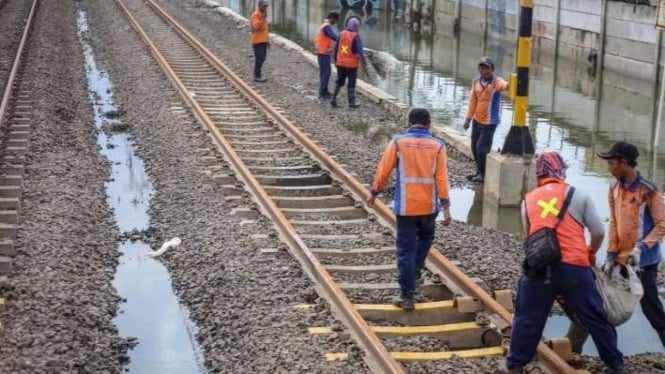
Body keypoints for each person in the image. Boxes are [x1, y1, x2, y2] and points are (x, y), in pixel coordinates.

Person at [501, 151, 623, 374]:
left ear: (539, 173)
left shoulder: (528, 200)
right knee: (595, 317)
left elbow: (530, 234)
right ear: (560, 170)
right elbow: (598, 231)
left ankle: (516, 364)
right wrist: (590, 252)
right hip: (575, 267)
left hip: (540, 267)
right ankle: (615, 365)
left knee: (528, 317)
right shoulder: (579, 195)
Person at [564, 142, 665, 352]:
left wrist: (641, 248)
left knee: (651, 307)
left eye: (612, 163)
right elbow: (615, 224)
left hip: (642, 263)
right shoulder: (614, 187)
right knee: (595, 299)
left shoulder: (649, 191)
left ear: (624, 163)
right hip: (619, 258)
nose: (609, 167)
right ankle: (572, 347)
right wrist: (610, 254)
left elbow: (661, 224)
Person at [367, 108, 452, 311]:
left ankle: (407, 295)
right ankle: (415, 270)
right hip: (429, 207)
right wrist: (446, 206)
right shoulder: (438, 146)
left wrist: (374, 192)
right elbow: (441, 178)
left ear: (409, 122)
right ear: (429, 123)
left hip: (406, 207)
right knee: (425, 240)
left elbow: (384, 170)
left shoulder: (398, 143)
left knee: (405, 250)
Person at [463, 57, 509, 183]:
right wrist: (468, 119)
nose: (484, 71)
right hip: (477, 120)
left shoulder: (497, 82)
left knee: (481, 148)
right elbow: (473, 101)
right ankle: (479, 172)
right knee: (474, 146)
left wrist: (512, 84)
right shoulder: (476, 82)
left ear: (492, 69)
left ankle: (484, 174)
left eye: (487, 68)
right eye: (482, 68)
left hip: (489, 122)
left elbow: (505, 86)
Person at [331, 17, 369, 108]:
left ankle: (333, 98)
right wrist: (365, 65)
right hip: (351, 65)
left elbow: (336, 49)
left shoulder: (341, 34)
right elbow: (360, 52)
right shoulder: (355, 36)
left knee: (339, 81)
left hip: (340, 63)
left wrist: (336, 61)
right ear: (356, 26)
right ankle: (351, 102)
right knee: (351, 83)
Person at [315, 12, 339, 99]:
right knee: (326, 72)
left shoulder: (324, 25)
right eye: (335, 20)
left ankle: (324, 90)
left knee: (323, 73)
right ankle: (322, 92)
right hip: (323, 53)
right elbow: (333, 36)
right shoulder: (327, 27)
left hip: (322, 53)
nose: (335, 22)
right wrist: (342, 39)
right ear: (332, 18)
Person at [250, 0, 269, 83]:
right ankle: (257, 76)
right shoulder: (256, 15)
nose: (265, 8)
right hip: (257, 41)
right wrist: (262, 19)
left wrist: (267, 41)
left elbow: (265, 30)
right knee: (259, 58)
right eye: (263, 6)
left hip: (263, 40)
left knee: (263, 58)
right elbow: (256, 26)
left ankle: (258, 75)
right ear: (259, 6)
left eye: (266, 6)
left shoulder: (263, 15)